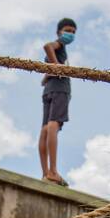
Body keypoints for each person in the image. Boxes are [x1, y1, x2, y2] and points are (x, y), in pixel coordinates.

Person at [38, 17, 77, 186]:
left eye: (73, 32)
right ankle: (53, 171)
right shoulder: (59, 44)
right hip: (60, 89)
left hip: (49, 90)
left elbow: (44, 78)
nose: (70, 34)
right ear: (59, 31)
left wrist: (50, 71)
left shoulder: (60, 51)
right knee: (53, 125)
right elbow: (47, 46)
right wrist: (57, 66)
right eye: (68, 30)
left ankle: (46, 172)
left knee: (45, 128)